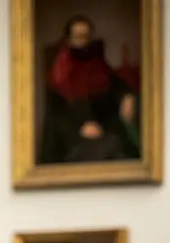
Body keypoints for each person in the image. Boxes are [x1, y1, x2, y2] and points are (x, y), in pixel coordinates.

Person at [39, 15, 139, 164]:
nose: (83, 41)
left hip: (102, 128)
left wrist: (127, 96)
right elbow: (56, 115)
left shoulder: (97, 63)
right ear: (69, 40)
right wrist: (80, 127)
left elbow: (116, 85)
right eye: (78, 36)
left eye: (86, 36)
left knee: (120, 148)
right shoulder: (59, 71)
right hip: (71, 136)